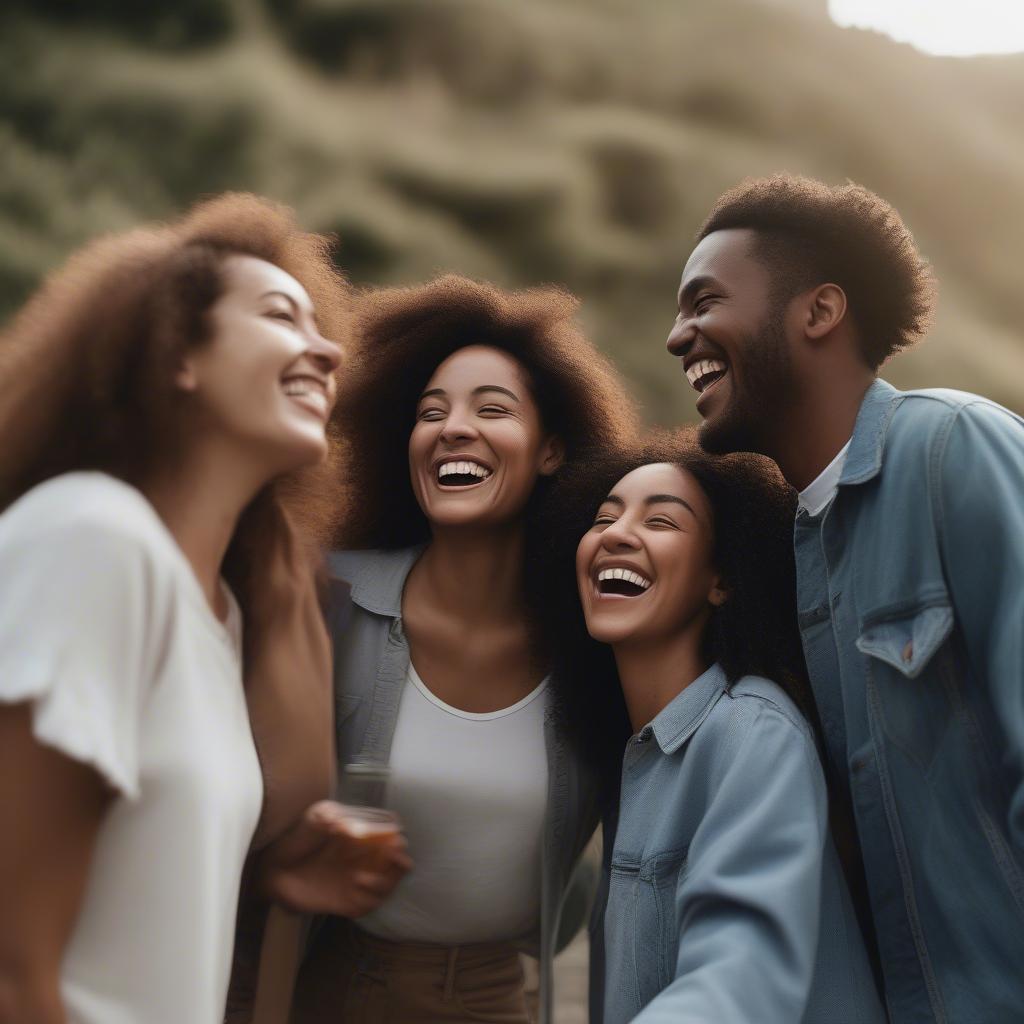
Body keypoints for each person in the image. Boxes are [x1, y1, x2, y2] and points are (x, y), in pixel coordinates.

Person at [0, 194, 405, 1024]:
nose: (328, 348)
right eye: (278, 316)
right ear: (174, 354)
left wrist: (261, 870)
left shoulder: (217, 611)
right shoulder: (93, 538)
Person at [667, 173, 1024, 1022]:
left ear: (818, 312)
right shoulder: (799, 548)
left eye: (704, 301)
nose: (678, 336)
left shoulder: (953, 447)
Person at [290, 275, 638, 1024]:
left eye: (491, 409)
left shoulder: (596, 644)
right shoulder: (330, 599)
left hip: (500, 997)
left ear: (550, 451)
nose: (453, 428)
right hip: (327, 990)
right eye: (430, 413)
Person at [543, 435, 884, 1023]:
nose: (616, 534)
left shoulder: (752, 731)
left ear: (721, 581)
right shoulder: (631, 758)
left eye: (661, 522)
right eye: (604, 517)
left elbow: (738, 978)